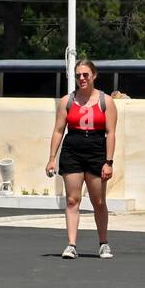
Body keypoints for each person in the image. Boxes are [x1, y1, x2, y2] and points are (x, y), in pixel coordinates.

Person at [45, 59, 118, 260]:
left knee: (98, 201)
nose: (82, 79)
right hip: (73, 148)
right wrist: (52, 158)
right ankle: (71, 244)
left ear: (94, 75)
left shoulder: (106, 102)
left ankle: (103, 243)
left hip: (96, 148)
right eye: (78, 75)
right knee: (72, 199)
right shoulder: (67, 101)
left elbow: (111, 133)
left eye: (85, 75)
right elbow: (59, 130)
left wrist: (108, 162)